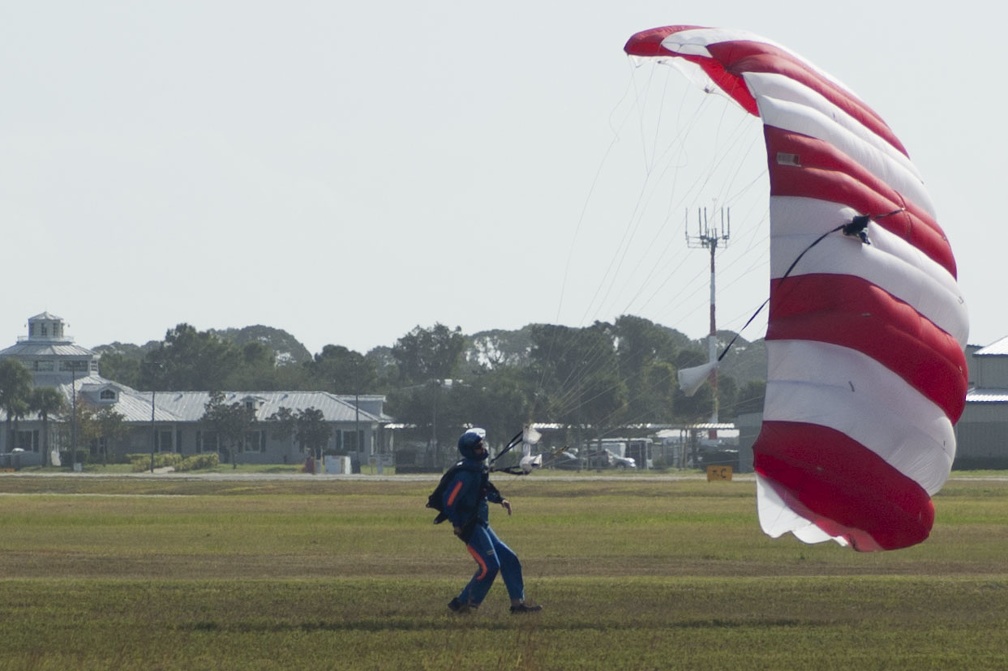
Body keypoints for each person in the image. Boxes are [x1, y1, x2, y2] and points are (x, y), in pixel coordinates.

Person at [443, 427, 542, 615]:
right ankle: (463, 604)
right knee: (489, 566)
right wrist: (456, 523)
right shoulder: (465, 474)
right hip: (469, 526)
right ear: (470, 451)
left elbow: (484, 489)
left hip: (482, 524)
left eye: (482, 445)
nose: (483, 449)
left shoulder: (477, 469)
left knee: (509, 559)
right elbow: (449, 501)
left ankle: (517, 605)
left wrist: (500, 499)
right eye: (478, 447)